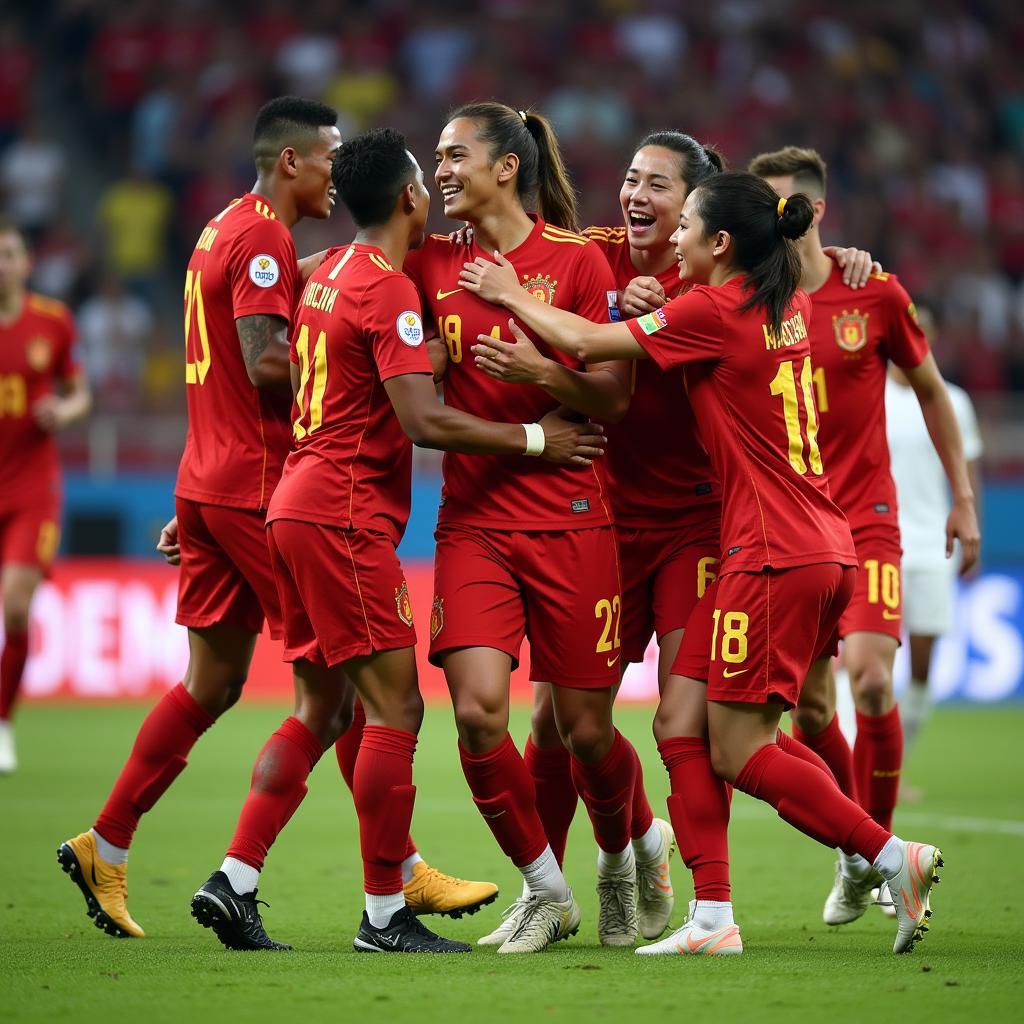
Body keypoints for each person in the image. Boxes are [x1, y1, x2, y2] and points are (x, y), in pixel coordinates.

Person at [460, 170, 945, 957]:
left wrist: (513, 292)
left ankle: (890, 857)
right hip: (821, 545)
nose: (674, 237)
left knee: (739, 749)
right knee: (692, 728)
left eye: (685, 222)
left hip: (768, 553)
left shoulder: (714, 311)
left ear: (721, 243)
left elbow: (586, 344)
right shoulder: (784, 303)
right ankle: (714, 917)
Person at [57, 97, 495, 943]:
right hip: (269, 486)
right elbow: (265, 363)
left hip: (214, 478)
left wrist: (205, 500)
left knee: (213, 684)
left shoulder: (220, 227)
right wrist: (388, 362)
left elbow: (226, 363)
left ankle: (106, 844)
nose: (340, 174)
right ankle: (337, 885)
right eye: (330, 158)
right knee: (341, 702)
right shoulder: (264, 238)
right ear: (290, 162)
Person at [191, 128, 604, 954]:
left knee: (323, 705)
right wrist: (535, 442)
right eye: (431, 177)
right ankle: (385, 914)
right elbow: (423, 421)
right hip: (343, 513)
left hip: (294, 502)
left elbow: (285, 356)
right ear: (411, 198)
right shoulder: (383, 287)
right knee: (397, 708)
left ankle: (236, 877)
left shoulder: (332, 274)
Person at [404, 102, 646, 953]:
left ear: (507, 167)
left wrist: (544, 369)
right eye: (434, 156)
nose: (440, 169)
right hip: (471, 522)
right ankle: (546, 889)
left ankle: (629, 853)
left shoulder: (577, 263)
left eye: (453, 154)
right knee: (476, 716)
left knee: (585, 732)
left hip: (575, 520)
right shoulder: (431, 262)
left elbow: (615, 397)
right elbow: (345, 262)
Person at [747, 147, 979, 927]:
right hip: (794, 529)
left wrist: (964, 499)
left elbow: (934, 393)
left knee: (873, 681)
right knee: (812, 713)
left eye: (779, 207)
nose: (768, 222)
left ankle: (885, 864)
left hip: (871, 523)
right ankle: (860, 854)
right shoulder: (747, 298)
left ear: (811, 212)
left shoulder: (871, 292)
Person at [0, 217, 90, 773]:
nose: (2, 263)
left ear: (26, 262)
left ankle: (3, 722)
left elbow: (81, 393)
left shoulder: (51, 323)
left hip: (33, 487)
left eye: (9, 254)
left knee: (14, 606)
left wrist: (64, 409)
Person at [885, 302, 983, 756]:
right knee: (870, 662)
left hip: (932, 545)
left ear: (934, 337)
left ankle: (896, 761)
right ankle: (865, 761)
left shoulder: (954, 401)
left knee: (922, 662)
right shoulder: (873, 392)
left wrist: (971, 527)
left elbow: (967, 473)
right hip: (878, 539)